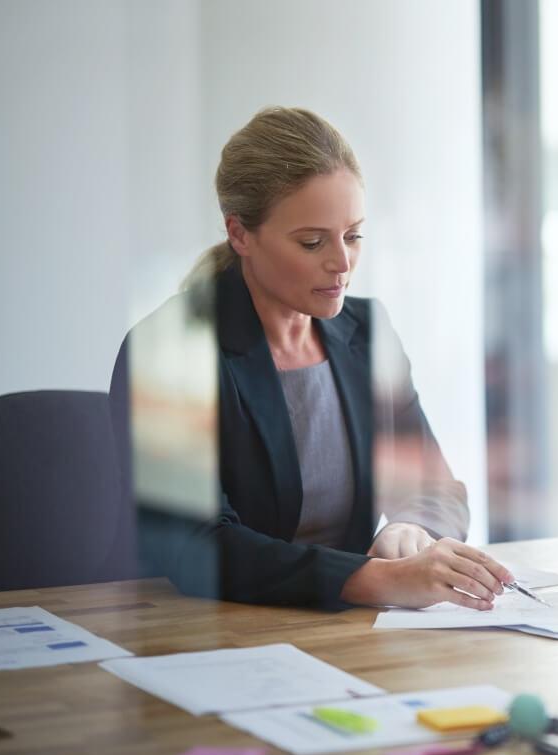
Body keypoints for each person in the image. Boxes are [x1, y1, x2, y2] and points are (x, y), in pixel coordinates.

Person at [111, 107, 511, 610]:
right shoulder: (167, 350)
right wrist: (371, 578)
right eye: (312, 242)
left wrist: (411, 530)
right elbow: (197, 545)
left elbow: (438, 489)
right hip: (201, 631)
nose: (342, 263)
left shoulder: (367, 332)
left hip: (336, 633)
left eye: (353, 235)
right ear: (240, 234)